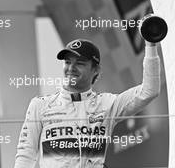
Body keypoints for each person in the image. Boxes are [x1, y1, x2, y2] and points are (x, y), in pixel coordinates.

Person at [14, 38, 161, 168]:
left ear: (96, 70)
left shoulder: (108, 104)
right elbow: (26, 155)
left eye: (80, 63)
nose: (71, 68)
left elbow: (149, 91)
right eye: (67, 62)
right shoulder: (40, 105)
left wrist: (150, 45)